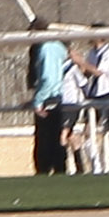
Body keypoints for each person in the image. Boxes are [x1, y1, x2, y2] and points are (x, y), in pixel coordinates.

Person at [28, 21, 74, 175]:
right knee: (55, 138)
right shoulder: (58, 47)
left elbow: (48, 78)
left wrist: (38, 101)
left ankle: (46, 170)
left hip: (47, 101)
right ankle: (59, 169)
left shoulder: (46, 48)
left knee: (44, 142)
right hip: (56, 98)